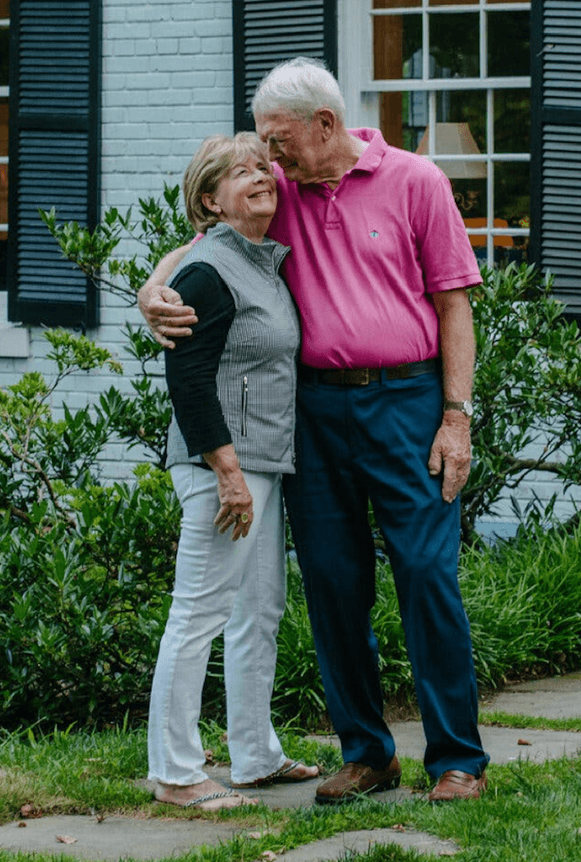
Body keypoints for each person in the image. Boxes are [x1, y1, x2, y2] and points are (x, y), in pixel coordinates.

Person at [139, 58, 490, 805]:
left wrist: (456, 416)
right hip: (316, 414)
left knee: (427, 575)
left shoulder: (417, 182)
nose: (268, 156)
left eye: (277, 139)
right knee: (333, 584)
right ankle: (367, 753)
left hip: (409, 402)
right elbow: (211, 239)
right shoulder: (282, 193)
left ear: (323, 126)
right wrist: (153, 287)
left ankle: (458, 758)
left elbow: (456, 303)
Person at [147, 131, 318, 812]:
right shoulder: (208, 268)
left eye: (263, 167)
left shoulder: (256, 260)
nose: (261, 176)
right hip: (223, 464)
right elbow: (187, 381)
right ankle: (176, 772)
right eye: (240, 172)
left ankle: (254, 755)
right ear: (210, 201)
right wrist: (226, 471)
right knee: (200, 613)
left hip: (262, 461)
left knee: (259, 609)